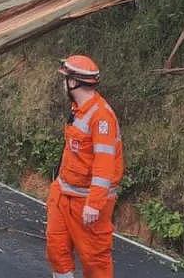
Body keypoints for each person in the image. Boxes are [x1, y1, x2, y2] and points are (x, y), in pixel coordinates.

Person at [46, 55, 124, 278]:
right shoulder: (78, 109)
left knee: (95, 261)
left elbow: (104, 162)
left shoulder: (102, 117)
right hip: (63, 194)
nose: (63, 84)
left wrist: (94, 203)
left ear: (73, 82)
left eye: (65, 79)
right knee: (56, 250)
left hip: (88, 202)